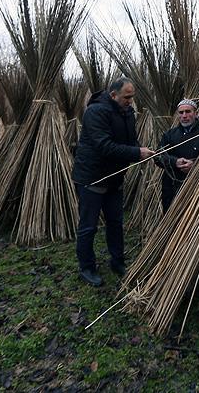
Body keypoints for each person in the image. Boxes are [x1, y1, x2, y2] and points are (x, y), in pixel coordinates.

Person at [72, 77, 154, 287]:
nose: (130, 101)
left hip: (115, 177)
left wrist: (141, 151)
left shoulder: (127, 113)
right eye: (127, 97)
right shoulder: (95, 112)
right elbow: (104, 146)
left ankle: (118, 262)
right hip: (92, 176)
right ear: (113, 95)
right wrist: (136, 153)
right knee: (89, 226)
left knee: (116, 222)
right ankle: (86, 267)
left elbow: (131, 141)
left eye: (132, 96)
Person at [154, 99, 199, 212]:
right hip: (171, 187)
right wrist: (175, 162)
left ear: (196, 113)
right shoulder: (169, 135)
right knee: (171, 215)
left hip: (197, 186)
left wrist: (194, 165)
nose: (184, 115)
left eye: (188, 111)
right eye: (181, 112)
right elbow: (158, 157)